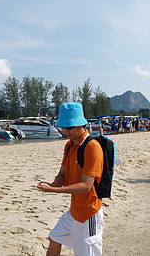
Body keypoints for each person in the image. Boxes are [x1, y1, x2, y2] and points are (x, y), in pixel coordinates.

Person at [37, 102, 104, 256]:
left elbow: (86, 186)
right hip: (74, 211)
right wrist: (54, 183)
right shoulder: (69, 145)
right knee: (54, 237)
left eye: (69, 127)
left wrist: (53, 190)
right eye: (63, 127)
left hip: (88, 213)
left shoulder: (92, 147)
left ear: (81, 124)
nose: (65, 130)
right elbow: (62, 174)